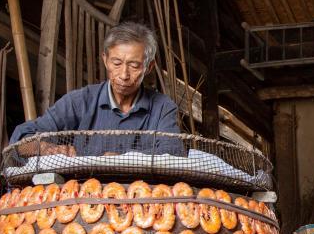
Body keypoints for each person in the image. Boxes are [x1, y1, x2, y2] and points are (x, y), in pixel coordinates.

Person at [9, 22, 184, 156]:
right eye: (116, 63)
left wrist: (123, 161)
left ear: (149, 67)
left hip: (139, 198)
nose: (124, 74)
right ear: (105, 60)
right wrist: (46, 148)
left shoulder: (162, 108)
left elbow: (174, 153)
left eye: (134, 65)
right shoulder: (80, 102)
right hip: (83, 198)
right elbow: (21, 138)